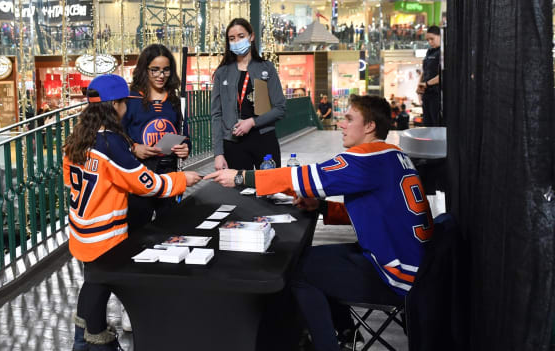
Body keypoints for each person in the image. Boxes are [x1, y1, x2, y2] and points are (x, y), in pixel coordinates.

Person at [205, 95, 433, 351]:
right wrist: (322, 207)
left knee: (297, 271)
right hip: (413, 266)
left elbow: (306, 176)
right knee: (311, 259)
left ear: (370, 126)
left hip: (393, 275)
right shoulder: (394, 154)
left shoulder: (366, 158)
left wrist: (242, 177)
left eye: (349, 119)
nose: (342, 124)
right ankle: (346, 333)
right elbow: (379, 212)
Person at [63, 74, 201, 351]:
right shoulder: (111, 144)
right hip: (105, 236)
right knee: (103, 286)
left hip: (81, 230)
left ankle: (84, 341)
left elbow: (70, 179)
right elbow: (146, 183)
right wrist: (183, 180)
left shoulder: (79, 138)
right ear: (115, 106)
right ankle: (93, 344)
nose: (127, 108)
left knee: (93, 284)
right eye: (125, 102)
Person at [122, 43, 190, 230]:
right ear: (145, 69)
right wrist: (134, 147)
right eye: (155, 70)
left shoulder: (174, 100)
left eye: (166, 70)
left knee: (171, 228)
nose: (161, 75)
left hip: (168, 173)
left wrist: (185, 147)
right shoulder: (130, 99)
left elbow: (184, 134)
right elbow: (117, 134)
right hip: (139, 175)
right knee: (137, 229)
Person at [211, 18, 286, 171]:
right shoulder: (222, 73)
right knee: (238, 192)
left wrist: (252, 122)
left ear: (251, 37)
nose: (236, 41)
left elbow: (280, 108)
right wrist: (218, 153)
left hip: (264, 139)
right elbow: (216, 115)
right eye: (232, 39)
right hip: (233, 142)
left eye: (241, 36)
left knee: (270, 190)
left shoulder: (266, 68)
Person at [417, 26, 441, 126]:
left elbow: (444, 75)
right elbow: (424, 70)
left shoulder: (443, 52)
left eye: (432, 39)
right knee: (427, 124)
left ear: (440, 36)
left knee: (436, 124)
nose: (430, 42)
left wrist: (427, 84)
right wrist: (419, 85)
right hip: (427, 94)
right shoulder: (429, 52)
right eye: (428, 40)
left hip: (437, 94)